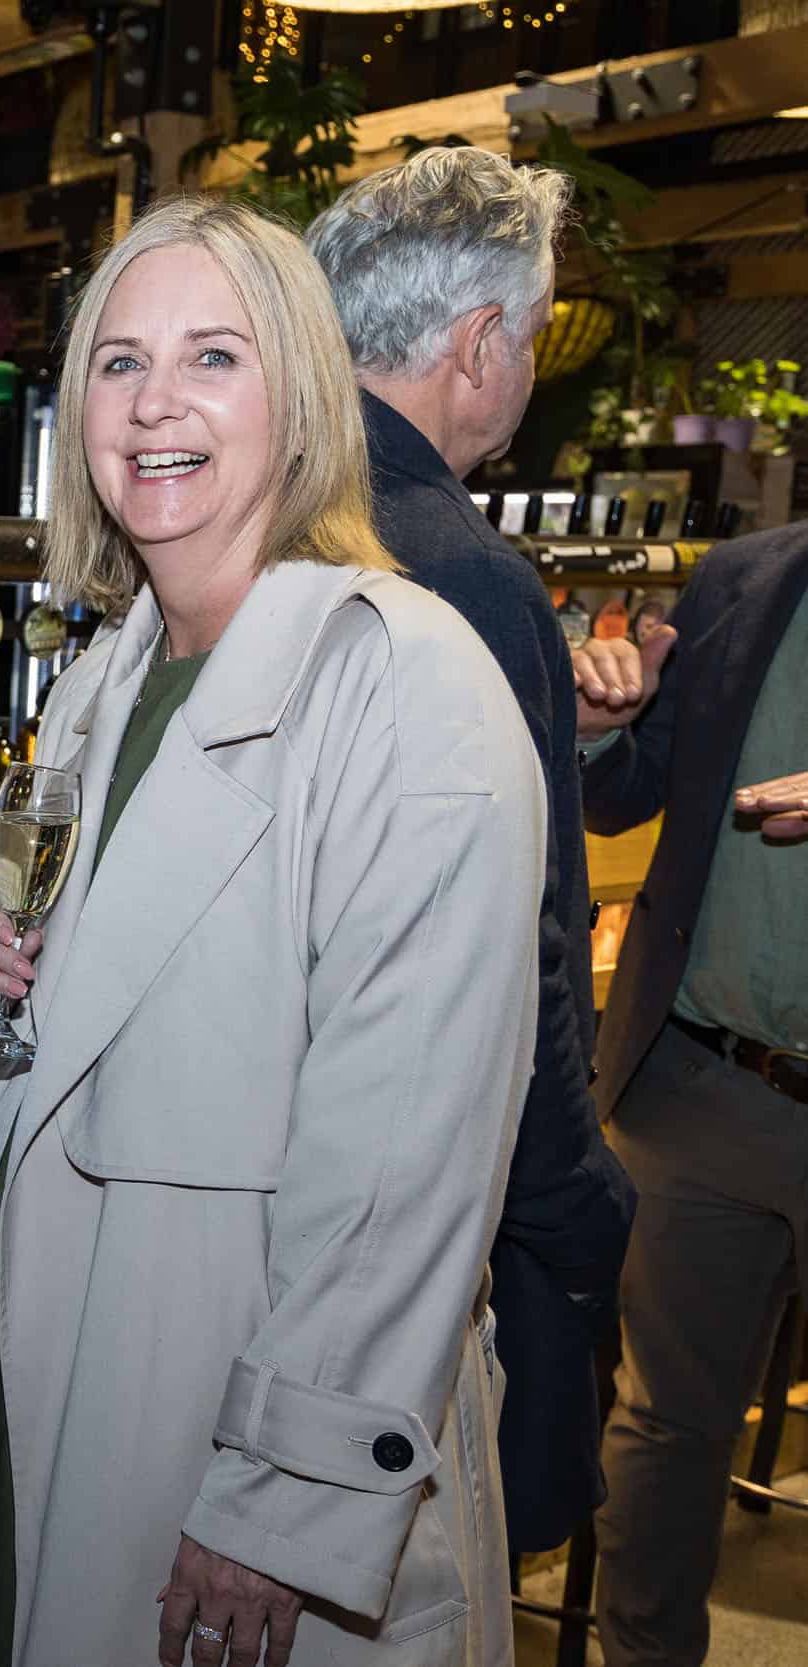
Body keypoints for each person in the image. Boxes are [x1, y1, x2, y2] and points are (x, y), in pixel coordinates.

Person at [0, 196, 542, 1665]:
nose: (155, 404)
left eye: (213, 355)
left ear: (304, 395)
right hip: (39, 1358)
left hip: (213, 1394)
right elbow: (93, 1021)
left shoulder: (402, 681)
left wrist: (290, 1491)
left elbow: (410, 1145)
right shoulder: (102, 680)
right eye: (119, 362)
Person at [305, 144, 638, 1556]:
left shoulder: (240, 522)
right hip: (419, 1225)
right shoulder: (468, 576)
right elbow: (522, 952)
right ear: (484, 339)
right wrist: (583, 1212)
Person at [573, 521, 807, 1666]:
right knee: (663, 1435)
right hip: (703, 1085)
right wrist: (590, 735)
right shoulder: (744, 576)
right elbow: (627, 793)